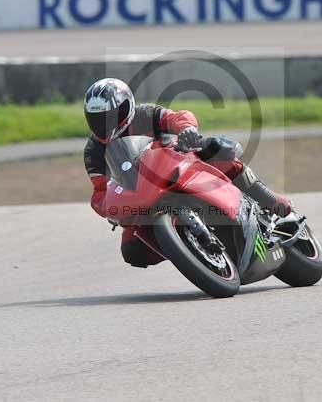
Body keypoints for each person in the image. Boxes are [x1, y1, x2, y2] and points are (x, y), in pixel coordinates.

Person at [83, 77, 292, 268]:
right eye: (97, 119)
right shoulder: (93, 152)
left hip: (176, 162)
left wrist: (187, 129)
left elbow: (178, 117)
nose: (105, 124)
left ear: (127, 107)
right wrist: (110, 208)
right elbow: (101, 191)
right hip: (141, 196)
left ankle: (268, 198)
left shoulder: (145, 114)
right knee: (132, 250)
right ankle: (187, 248)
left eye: (111, 115)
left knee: (218, 151)